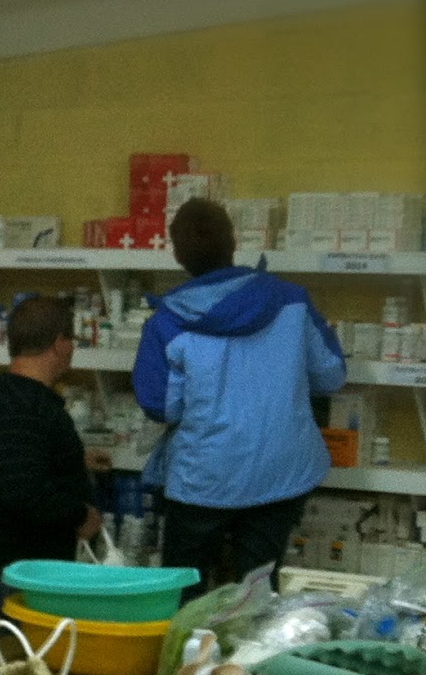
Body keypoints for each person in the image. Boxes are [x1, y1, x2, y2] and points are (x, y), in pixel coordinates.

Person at [134, 198, 346, 594]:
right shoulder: (292, 301)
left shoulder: (167, 323)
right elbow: (331, 374)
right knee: (258, 596)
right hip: (280, 472)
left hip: (204, 479)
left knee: (184, 593)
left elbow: (161, 407)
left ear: (177, 254)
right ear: (233, 241)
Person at [0, 295, 104, 630]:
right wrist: (81, 515)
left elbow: (12, 460)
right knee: (25, 661)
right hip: (24, 576)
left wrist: (73, 461)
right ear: (58, 343)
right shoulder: (27, 408)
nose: (73, 348)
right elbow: (24, 491)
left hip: (3, 564)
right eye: (71, 339)